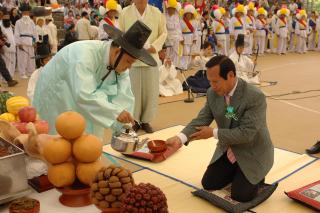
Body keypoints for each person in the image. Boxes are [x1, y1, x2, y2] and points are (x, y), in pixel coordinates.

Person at [166, 55, 274, 202]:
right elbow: (202, 119)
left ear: (231, 75)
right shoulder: (213, 93)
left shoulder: (255, 96)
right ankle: (238, 172)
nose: (211, 86)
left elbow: (246, 134)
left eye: (215, 81)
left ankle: (257, 176)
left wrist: (213, 133)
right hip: (229, 149)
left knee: (241, 196)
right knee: (209, 184)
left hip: (252, 151)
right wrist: (180, 138)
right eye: (209, 81)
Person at [33, 21, 157, 138]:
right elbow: (84, 94)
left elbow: (124, 96)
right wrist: (115, 112)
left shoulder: (121, 64)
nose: (129, 66)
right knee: (61, 138)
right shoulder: (83, 55)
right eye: (129, 62)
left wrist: (125, 126)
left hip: (81, 94)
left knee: (89, 140)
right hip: (57, 90)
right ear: (117, 52)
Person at [118, 0, 167, 133]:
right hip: (131, 59)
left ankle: (146, 121)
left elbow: (163, 33)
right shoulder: (125, 12)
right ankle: (134, 121)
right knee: (133, 92)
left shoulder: (156, 12)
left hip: (150, 57)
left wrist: (153, 46)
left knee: (150, 91)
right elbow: (120, 33)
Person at [14, 3, 38, 79]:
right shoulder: (18, 22)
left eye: (27, 13)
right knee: (22, 58)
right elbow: (16, 33)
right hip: (22, 41)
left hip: (30, 42)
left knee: (31, 58)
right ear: (22, 13)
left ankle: (31, 72)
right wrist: (18, 43)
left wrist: (35, 42)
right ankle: (22, 73)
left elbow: (35, 33)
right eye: (24, 13)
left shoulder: (31, 22)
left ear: (29, 13)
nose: (26, 14)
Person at [164, 0, 182, 67]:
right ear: (168, 9)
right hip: (168, 36)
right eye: (170, 9)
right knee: (168, 53)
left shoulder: (176, 16)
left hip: (176, 37)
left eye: (173, 9)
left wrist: (181, 38)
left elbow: (178, 27)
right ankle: (166, 66)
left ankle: (175, 66)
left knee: (176, 53)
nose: (172, 10)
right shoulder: (164, 16)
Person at [1, 12, 16, 78]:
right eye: (5, 17)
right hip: (4, 47)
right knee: (6, 63)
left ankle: (11, 76)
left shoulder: (9, 24)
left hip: (12, 46)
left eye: (8, 17)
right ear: (2, 17)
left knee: (13, 62)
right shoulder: (0, 24)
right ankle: (5, 78)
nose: (7, 18)